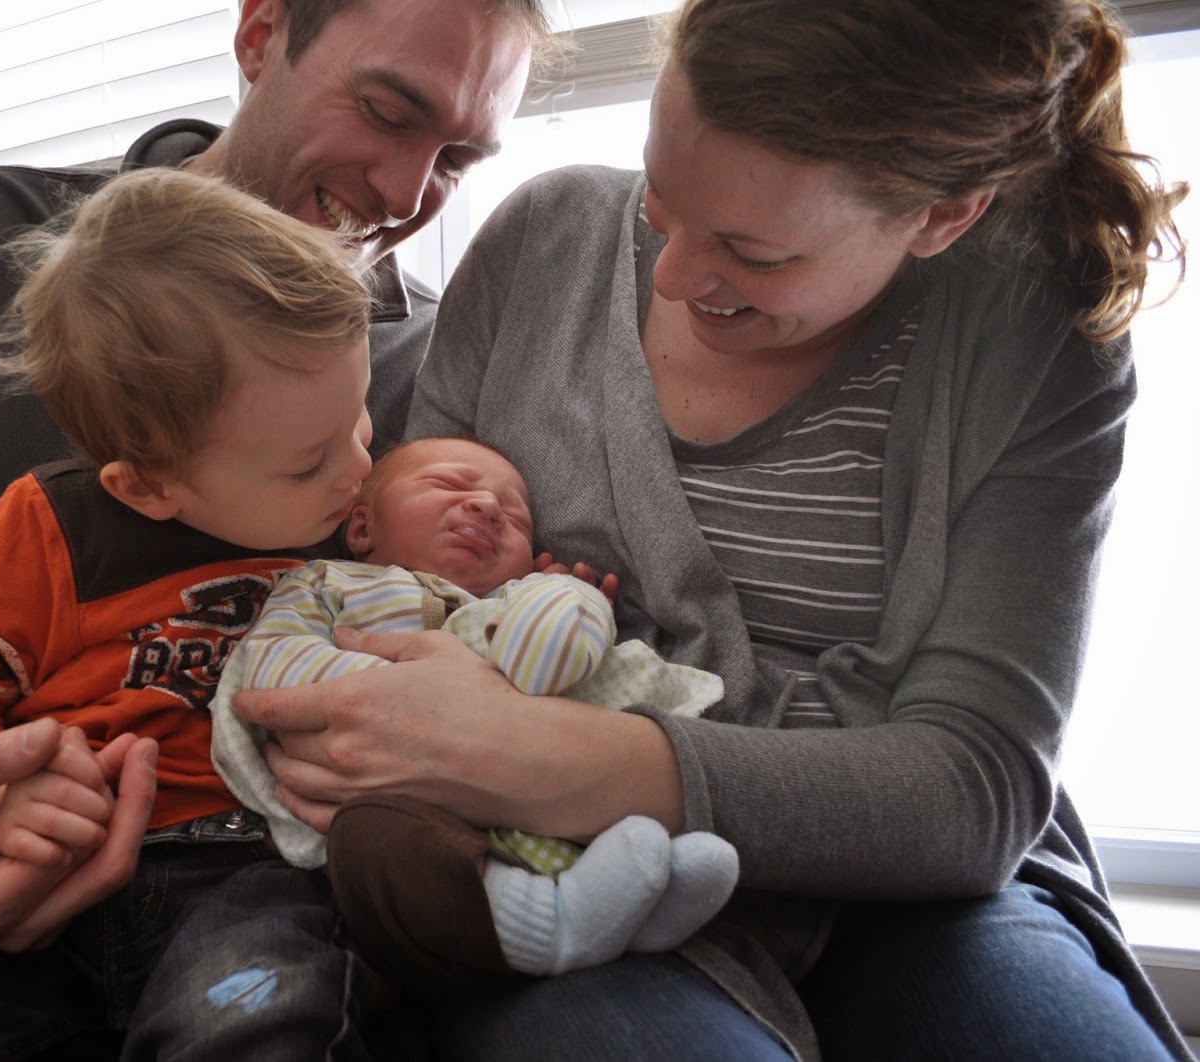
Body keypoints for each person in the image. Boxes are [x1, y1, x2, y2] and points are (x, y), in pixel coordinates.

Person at [226, 1, 1195, 1058]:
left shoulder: (1032, 335)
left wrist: (538, 753)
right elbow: (400, 568)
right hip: (563, 871)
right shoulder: (543, 240)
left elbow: (970, 790)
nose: (674, 274)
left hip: (915, 894)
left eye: (751, 251)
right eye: (661, 198)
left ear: (941, 217)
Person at [0, 0, 542, 1049]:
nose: (408, 193)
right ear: (261, 32)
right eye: (386, 110)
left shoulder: (429, 369)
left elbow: (463, 652)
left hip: (258, 924)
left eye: (459, 158)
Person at [0, 165, 380, 1059]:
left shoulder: (353, 529)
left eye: (360, 419)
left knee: (266, 1023)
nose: (359, 468)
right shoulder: (47, 531)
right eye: (309, 462)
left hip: (253, 879)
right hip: (46, 878)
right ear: (146, 488)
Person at [210, 436, 739, 989]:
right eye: (449, 484)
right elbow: (273, 663)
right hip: (387, 793)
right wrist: (399, 699)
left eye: (517, 518)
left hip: (546, 784)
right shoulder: (326, 584)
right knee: (377, 842)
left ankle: (626, 897)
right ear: (362, 528)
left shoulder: (510, 600)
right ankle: (547, 917)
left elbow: (550, 665)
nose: (488, 506)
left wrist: (565, 602)